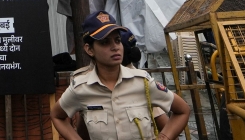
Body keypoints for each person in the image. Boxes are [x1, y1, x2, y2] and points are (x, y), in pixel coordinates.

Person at [51, 11, 190, 140]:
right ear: (89, 49)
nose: (115, 47)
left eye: (117, 40)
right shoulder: (80, 87)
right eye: (105, 42)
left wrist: (164, 137)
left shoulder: (143, 82)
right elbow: (57, 116)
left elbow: (182, 110)